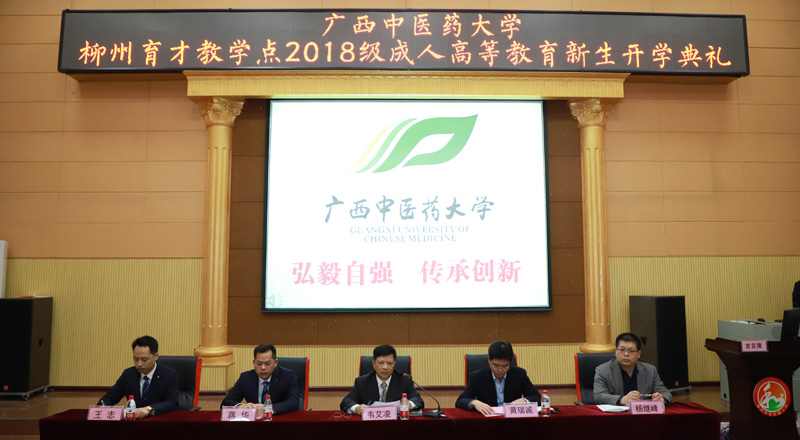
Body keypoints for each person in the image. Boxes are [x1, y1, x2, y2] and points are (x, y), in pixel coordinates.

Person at [98, 335, 179, 418]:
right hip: (134, 422)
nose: (139, 364)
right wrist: (103, 406)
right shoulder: (128, 374)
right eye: (136, 359)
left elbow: (172, 402)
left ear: (156, 356)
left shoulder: (169, 375)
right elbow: (111, 397)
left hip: (158, 421)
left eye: (144, 360)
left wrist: (149, 409)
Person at [456, 340, 542, 415]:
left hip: (512, 421)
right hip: (488, 421)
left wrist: (524, 401)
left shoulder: (519, 374)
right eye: (496, 366)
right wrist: (474, 403)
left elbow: (537, 397)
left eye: (505, 366)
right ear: (489, 360)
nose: (500, 370)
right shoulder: (478, 376)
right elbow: (461, 401)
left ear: (510, 362)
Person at [340, 344, 424, 415]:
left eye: (390, 363)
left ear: (394, 364)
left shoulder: (404, 380)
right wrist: (357, 408)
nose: (385, 367)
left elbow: (418, 400)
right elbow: (347, 401)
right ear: (373, 364)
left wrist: (409, 404)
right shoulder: (362, 382)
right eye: (381, 363)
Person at [593, 332, 673, 406]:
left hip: (642, 414)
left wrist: (662, 399)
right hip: (615, 414)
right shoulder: (603, 370)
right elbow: (599, 396)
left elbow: (666, 393)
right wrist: (622, 400)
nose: (626, 354)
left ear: (639, 353)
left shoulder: (650, 370)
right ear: (615, 351)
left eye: (631, 351)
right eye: (622, 350)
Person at [221, 344, 299, 414]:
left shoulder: (287, 376)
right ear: (254, 363)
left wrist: (269, 408)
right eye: (259, 364)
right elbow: (226, 403)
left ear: (275, 363)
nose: (263, 368)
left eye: (267, 364)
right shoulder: (245, 378)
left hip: (277, 420)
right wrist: (241, 406)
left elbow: (293, 402)